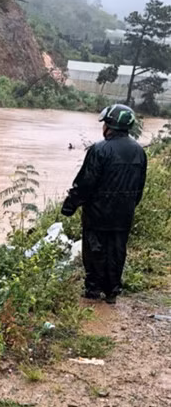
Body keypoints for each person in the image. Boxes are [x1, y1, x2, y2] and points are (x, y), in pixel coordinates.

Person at [61, 104, 147, 304]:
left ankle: (93, 290)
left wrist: (70, 205)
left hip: (97, 213)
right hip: (124, 214)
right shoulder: (139, 152)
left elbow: (85, 183)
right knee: (117, 251)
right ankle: (112, 291)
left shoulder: (99, 149)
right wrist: (129, 206)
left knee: (94, 250)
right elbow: (140, 186)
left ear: (109, 125)